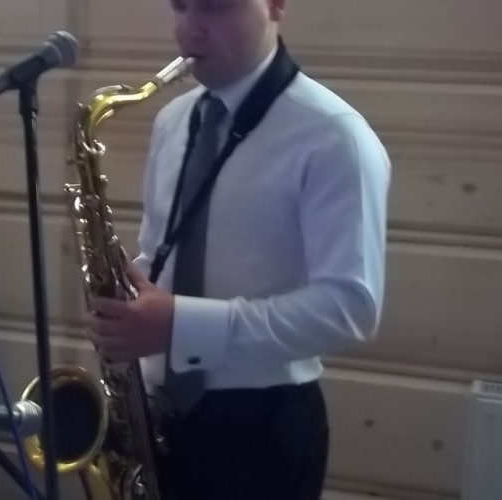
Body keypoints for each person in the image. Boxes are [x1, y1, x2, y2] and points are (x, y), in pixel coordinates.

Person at [86, 0, 391, 498]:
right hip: (155, 417)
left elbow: (351, 309)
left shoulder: (334, 135)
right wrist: (124, 304)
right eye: (180, 6)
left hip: (259, 432)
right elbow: (161, 253)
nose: (190, 29)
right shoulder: (172, 120)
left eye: (214, 7)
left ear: (276, 5)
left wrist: (179, 324)